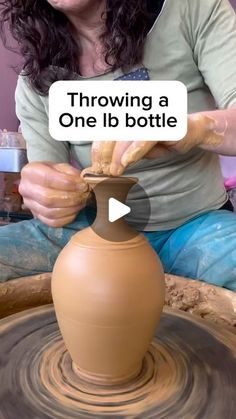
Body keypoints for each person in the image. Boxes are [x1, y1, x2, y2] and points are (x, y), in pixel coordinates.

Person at [0, 0, 236, 290]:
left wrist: (196, 128)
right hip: (95, 226)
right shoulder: (35, 80)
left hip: (195, 225)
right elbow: (48, 180)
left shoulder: (193, 8)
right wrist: (46, 195)